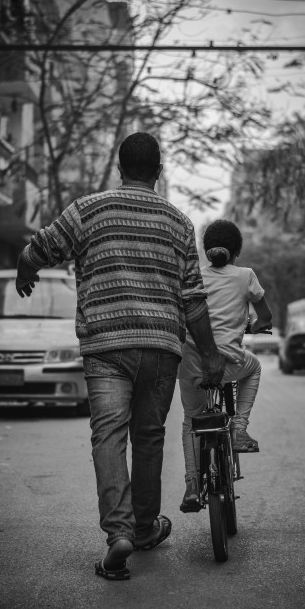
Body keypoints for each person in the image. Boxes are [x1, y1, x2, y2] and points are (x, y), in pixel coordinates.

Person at [15, 132, 225, 581]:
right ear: (159, 171)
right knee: (149, 436)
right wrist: (209, 354)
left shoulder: (88, 209)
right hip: (161, 348)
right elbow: (193, 299)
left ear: (118, 166)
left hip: (106, 347)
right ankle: (145, 528)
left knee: (108, 436)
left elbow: (43, 247)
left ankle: (120, 535)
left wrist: (25, 265)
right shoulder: (179, 222)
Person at [178, 219, 273, 513]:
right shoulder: (245, 276)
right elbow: (265, 315)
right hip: (229, 364)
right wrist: (255, 327)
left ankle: (192, 486)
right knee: (254, 367)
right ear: (236, 252)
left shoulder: (191, 277)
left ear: (205, 250)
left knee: (191, 419)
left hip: (192, 365)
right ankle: (239, 428)